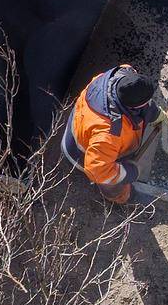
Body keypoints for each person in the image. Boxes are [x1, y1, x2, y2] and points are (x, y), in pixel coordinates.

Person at [62, 64, 159, 205]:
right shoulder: (108, 133)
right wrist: (128, 173)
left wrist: (155, 113)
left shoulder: (121, 73)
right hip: (82, 154)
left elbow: (140, 99)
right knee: (113, 184)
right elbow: (98, 170)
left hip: (83, 129)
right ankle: (122, 198)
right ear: (132, 106)